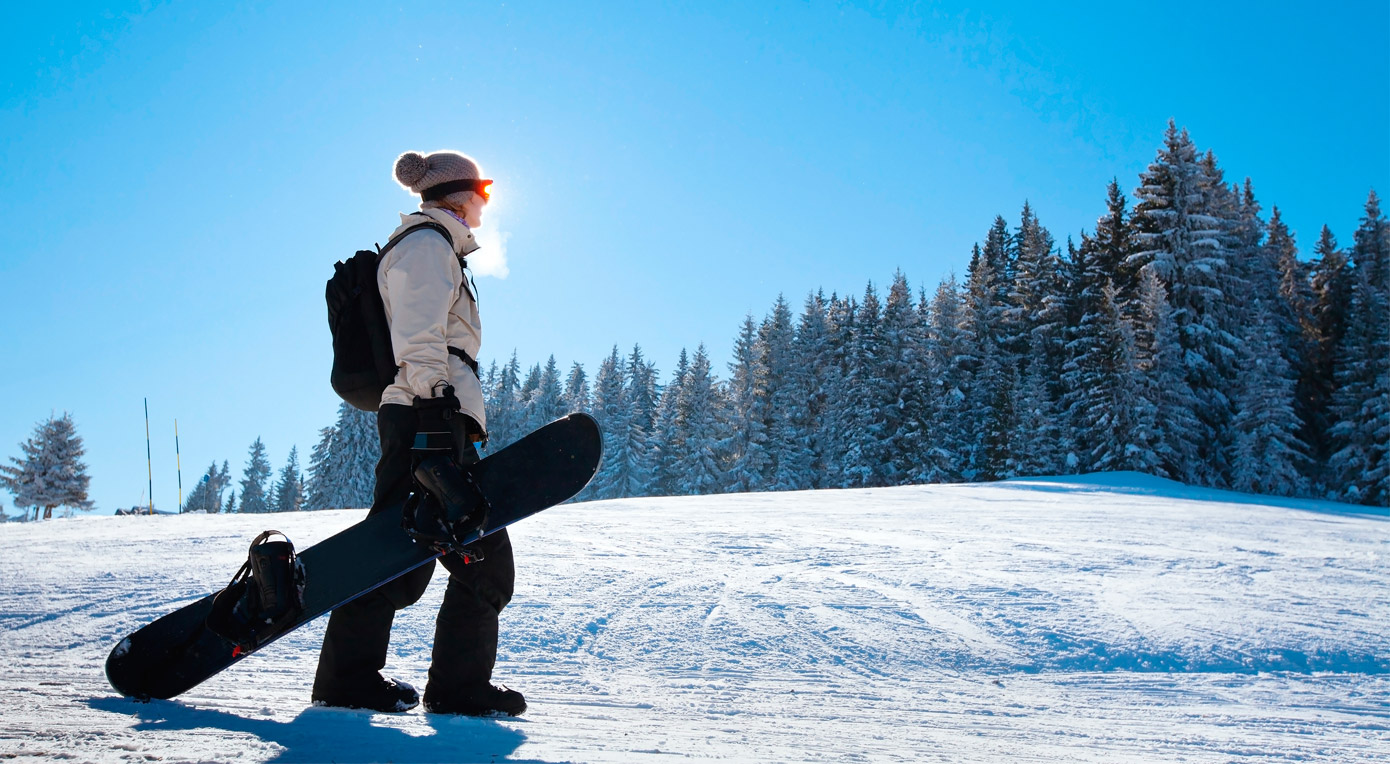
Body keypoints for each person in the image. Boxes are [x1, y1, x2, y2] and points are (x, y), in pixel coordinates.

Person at [311, 150, 525, 717]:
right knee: (399, 551)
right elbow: (419, 338)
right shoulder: (427, 246)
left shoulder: (438, 247)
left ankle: (444, 686)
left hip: (435, 417)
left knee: (426, 553)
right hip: (424, 418)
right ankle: (367, 681)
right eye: (485, 186)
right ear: (459, 192)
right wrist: (433, 420)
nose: (487, 199)